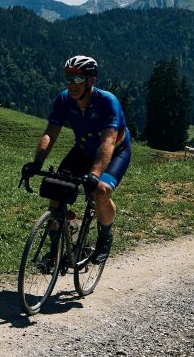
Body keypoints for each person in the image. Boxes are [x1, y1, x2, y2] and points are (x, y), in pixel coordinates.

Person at [21, 55, 130, 263]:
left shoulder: (108, 102)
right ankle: (55, 250)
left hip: (115, 152)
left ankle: (105, 237)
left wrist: (95, 174)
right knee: (56, 192)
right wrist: (37, 162)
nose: (72, 85)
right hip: (82, 150)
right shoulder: (64, 99)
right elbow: (50, 133)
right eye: (69, 78)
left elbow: (107, 142)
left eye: (78, 79)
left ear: (91, 80)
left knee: (101, 192)